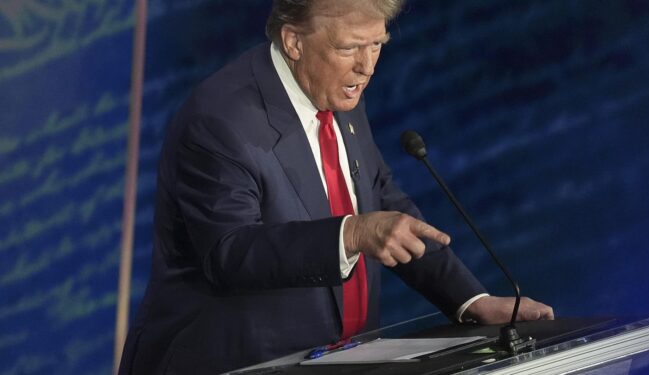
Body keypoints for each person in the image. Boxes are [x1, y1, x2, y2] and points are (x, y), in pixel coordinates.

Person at [118, 0, 553, 373]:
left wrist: (470, 301)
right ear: (294, 41)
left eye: (378, 44)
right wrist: (352, 233)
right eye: (349, 48)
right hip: (233, 363)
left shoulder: (335, 89)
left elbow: (379, 199)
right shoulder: (220, 120)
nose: (367, 67)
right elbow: (230, 252)